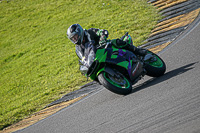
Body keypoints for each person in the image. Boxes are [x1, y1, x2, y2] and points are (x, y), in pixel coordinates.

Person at [66, 24, 148, 62]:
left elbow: (103, 32)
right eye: (73, 38)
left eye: (76, 36)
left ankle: (137, 51)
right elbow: (83, 58)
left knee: (116, 42)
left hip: (107, 47)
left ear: (79, 32)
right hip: (99, 58)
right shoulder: (79, 48)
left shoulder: (90, 32)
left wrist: (102, 39)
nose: (75, 39)